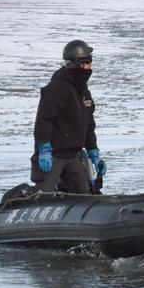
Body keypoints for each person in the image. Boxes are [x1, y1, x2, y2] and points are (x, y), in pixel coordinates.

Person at [31, 39, 105, 193]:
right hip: (52, 156)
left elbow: (88, 125)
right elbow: (44, 120)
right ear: (80, 64)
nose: (91, 67)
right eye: (89, 62)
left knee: (84, 193)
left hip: (73, 155)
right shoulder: (57, 88)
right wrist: (43, 148)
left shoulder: (84, 93)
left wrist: (93, 153)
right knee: (43, 195)